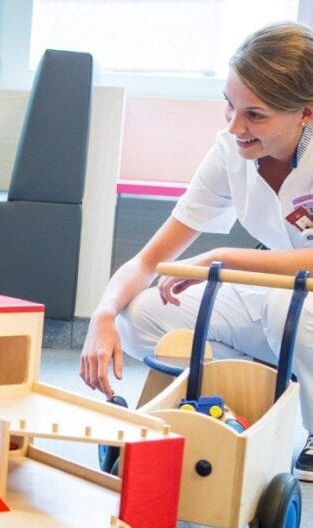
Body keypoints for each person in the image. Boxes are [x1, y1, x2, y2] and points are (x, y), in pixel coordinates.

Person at [80, 21, 313, 483]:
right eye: (229, 104)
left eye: (255, 115)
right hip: (271, 294)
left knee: (289, 307)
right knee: (142, 313)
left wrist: (220, 258)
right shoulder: (230, 151)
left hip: (293, 302)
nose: (234, 126)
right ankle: (252, 391)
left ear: (306, 113)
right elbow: (150, 260)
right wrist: (102, 316)